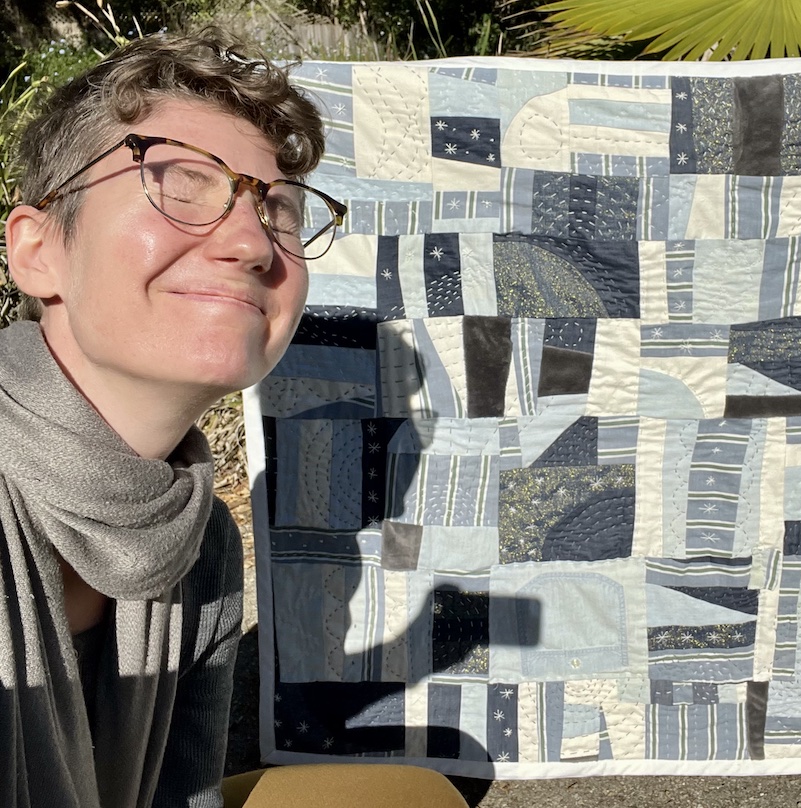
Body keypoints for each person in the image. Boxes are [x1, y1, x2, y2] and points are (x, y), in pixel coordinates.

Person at [1, 29, 467, 808]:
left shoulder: (200, 540)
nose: (253, 243)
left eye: (279, 210)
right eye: (180, 183)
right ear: (38, 249)